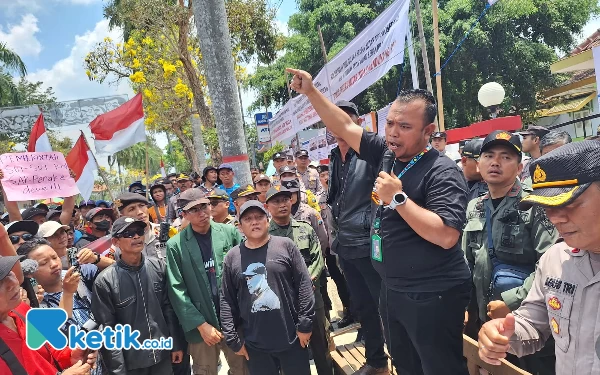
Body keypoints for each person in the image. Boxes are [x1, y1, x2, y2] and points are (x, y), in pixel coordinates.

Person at [288, 68, 472, 375]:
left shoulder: (442, 172)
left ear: (428, 131)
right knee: (405, 363)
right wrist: (311, 92)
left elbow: (446, 235)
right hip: (394, 287)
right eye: (390, 123)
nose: (393, 132)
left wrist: (398, 199)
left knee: (439, 367)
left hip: (432, 292)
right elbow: (345, 127)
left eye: (405, 126)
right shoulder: (388, 155)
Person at [477, 140, 600, 375]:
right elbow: (534, 322)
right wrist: (504, 332)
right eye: (548, 207)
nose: (555, 219)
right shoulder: (555, 258)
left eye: (570, 204)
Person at [462, 131, 557, 373]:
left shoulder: (534, 204)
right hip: (486, 320)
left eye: (506, 157)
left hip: (529, 322)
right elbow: (466, 261)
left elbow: (551, 263)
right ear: (479, 163)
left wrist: (510, 301)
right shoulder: (475, 206)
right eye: (489, 155)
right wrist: (465, 306)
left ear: (519, 167)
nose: (495, 162)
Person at [220, 201, 315, 375]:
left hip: (292, 339)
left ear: (267, 220)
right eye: (248, 219)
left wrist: (305, 325)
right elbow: (227, 299)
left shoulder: (285, 246)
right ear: (240, 226)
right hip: (254, 345)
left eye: (259, 217)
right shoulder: (232, 257)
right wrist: (233, 339)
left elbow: (304, 285)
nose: (254, 222)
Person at [326, 99, 385, 369]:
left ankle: (401, 361)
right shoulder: (334, 157)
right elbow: (336, 200)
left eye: (346, 118)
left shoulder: (370, 154)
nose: (340, 123)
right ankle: (376, 360)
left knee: (383, 305)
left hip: (367, 244)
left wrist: (371, 230)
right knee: (363, 306)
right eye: (334, 118)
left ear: (358, 123)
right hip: (345, 245)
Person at [166, 188, 247, 375]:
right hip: (200, 325)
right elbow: (176, 289)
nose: (202, 213)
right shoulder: (175, 246)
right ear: (184, 214)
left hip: (234, 319)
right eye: (194, 210)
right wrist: (201, 325)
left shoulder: (229, 233)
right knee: (205, 370)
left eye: (204, 206)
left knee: (243, 368)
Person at [92, 217, 185, 375]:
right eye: (128, 233)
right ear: (116, 241)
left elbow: (169, 309)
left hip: (161, 354)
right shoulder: (105, 281)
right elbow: (108, 330)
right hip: (132, 362)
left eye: (139, 232)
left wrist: (175, 344)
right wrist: (118, 370)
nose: (136, 237)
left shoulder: (159, 267)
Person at [265, 187, 332, 375]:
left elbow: (318, 258)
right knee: (290, 349)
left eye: (285, 200)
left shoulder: (305, 228)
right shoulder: (265, 235)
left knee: (321, 344)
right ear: (267, 206)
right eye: (276, 202)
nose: (282, 205)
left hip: (312, 297)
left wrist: (307, 280)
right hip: (283, 302)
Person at [17, 237, 105, 374]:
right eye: (44, 263)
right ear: (29, 274)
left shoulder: (78, 274)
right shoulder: (31, 303)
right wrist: (68, 293)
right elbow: (56, 333)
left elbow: (120, 272)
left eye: (54, 257)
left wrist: (96, 259)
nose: (53, 264)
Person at [0, 255, 98, 375]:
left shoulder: (21, 309)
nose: (12, 283)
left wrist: (70, 357)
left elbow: (48, 348)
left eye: (9, 274)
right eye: (0, 283)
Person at [39, 220, 114, 271]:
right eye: (54, 235)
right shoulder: (44, 266)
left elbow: (115, 266)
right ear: (44, 240)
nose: (61, 237)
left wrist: (95, 258)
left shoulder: (78, 254)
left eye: (62, 232)